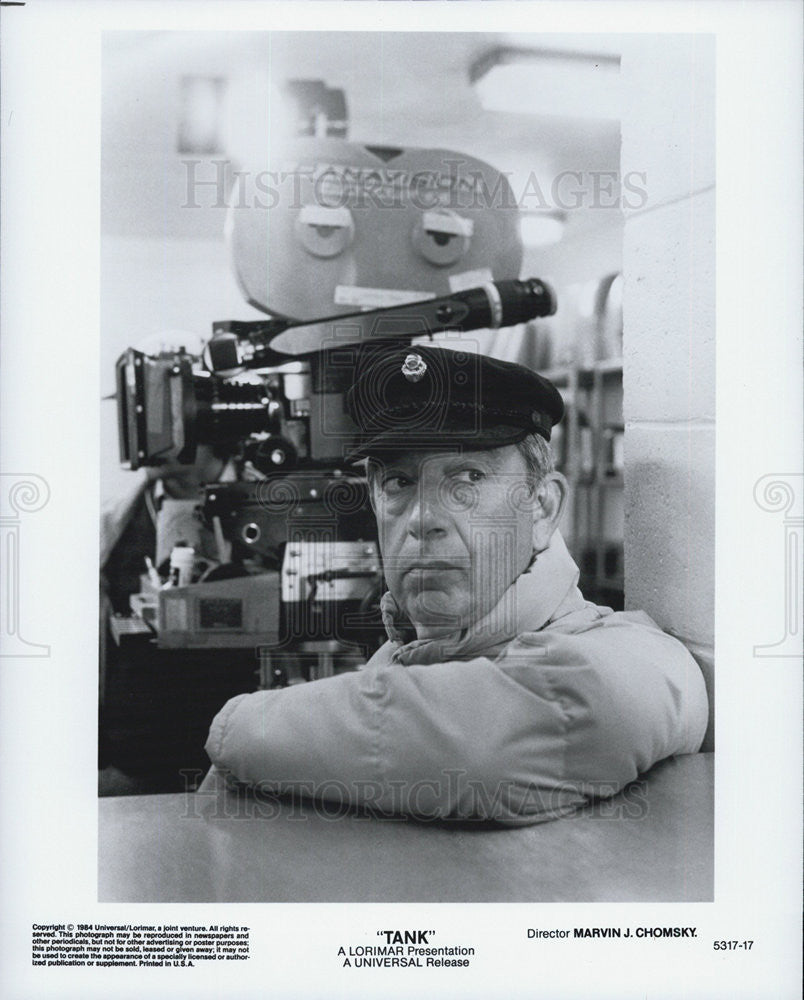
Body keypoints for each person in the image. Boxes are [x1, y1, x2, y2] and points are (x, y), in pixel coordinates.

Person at [203, 345, 708, 824]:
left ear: (543, 506)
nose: (423, 518)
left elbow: (517, 731)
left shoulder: (636, 660)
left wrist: (232, 730)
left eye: (466, 478)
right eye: (398, 482)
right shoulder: (400, 660)